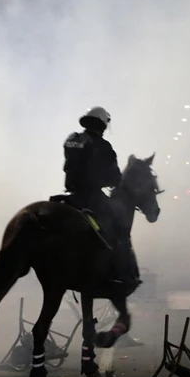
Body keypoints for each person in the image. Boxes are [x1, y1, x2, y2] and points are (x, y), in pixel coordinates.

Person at [63, 106, 140, 294]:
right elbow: (114, 178)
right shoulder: (104, 146)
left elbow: (69, 166)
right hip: (92, 198)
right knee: (120, 227)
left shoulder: (72, 140)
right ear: (103, 126)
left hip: (71, 196)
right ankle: (121, 274)